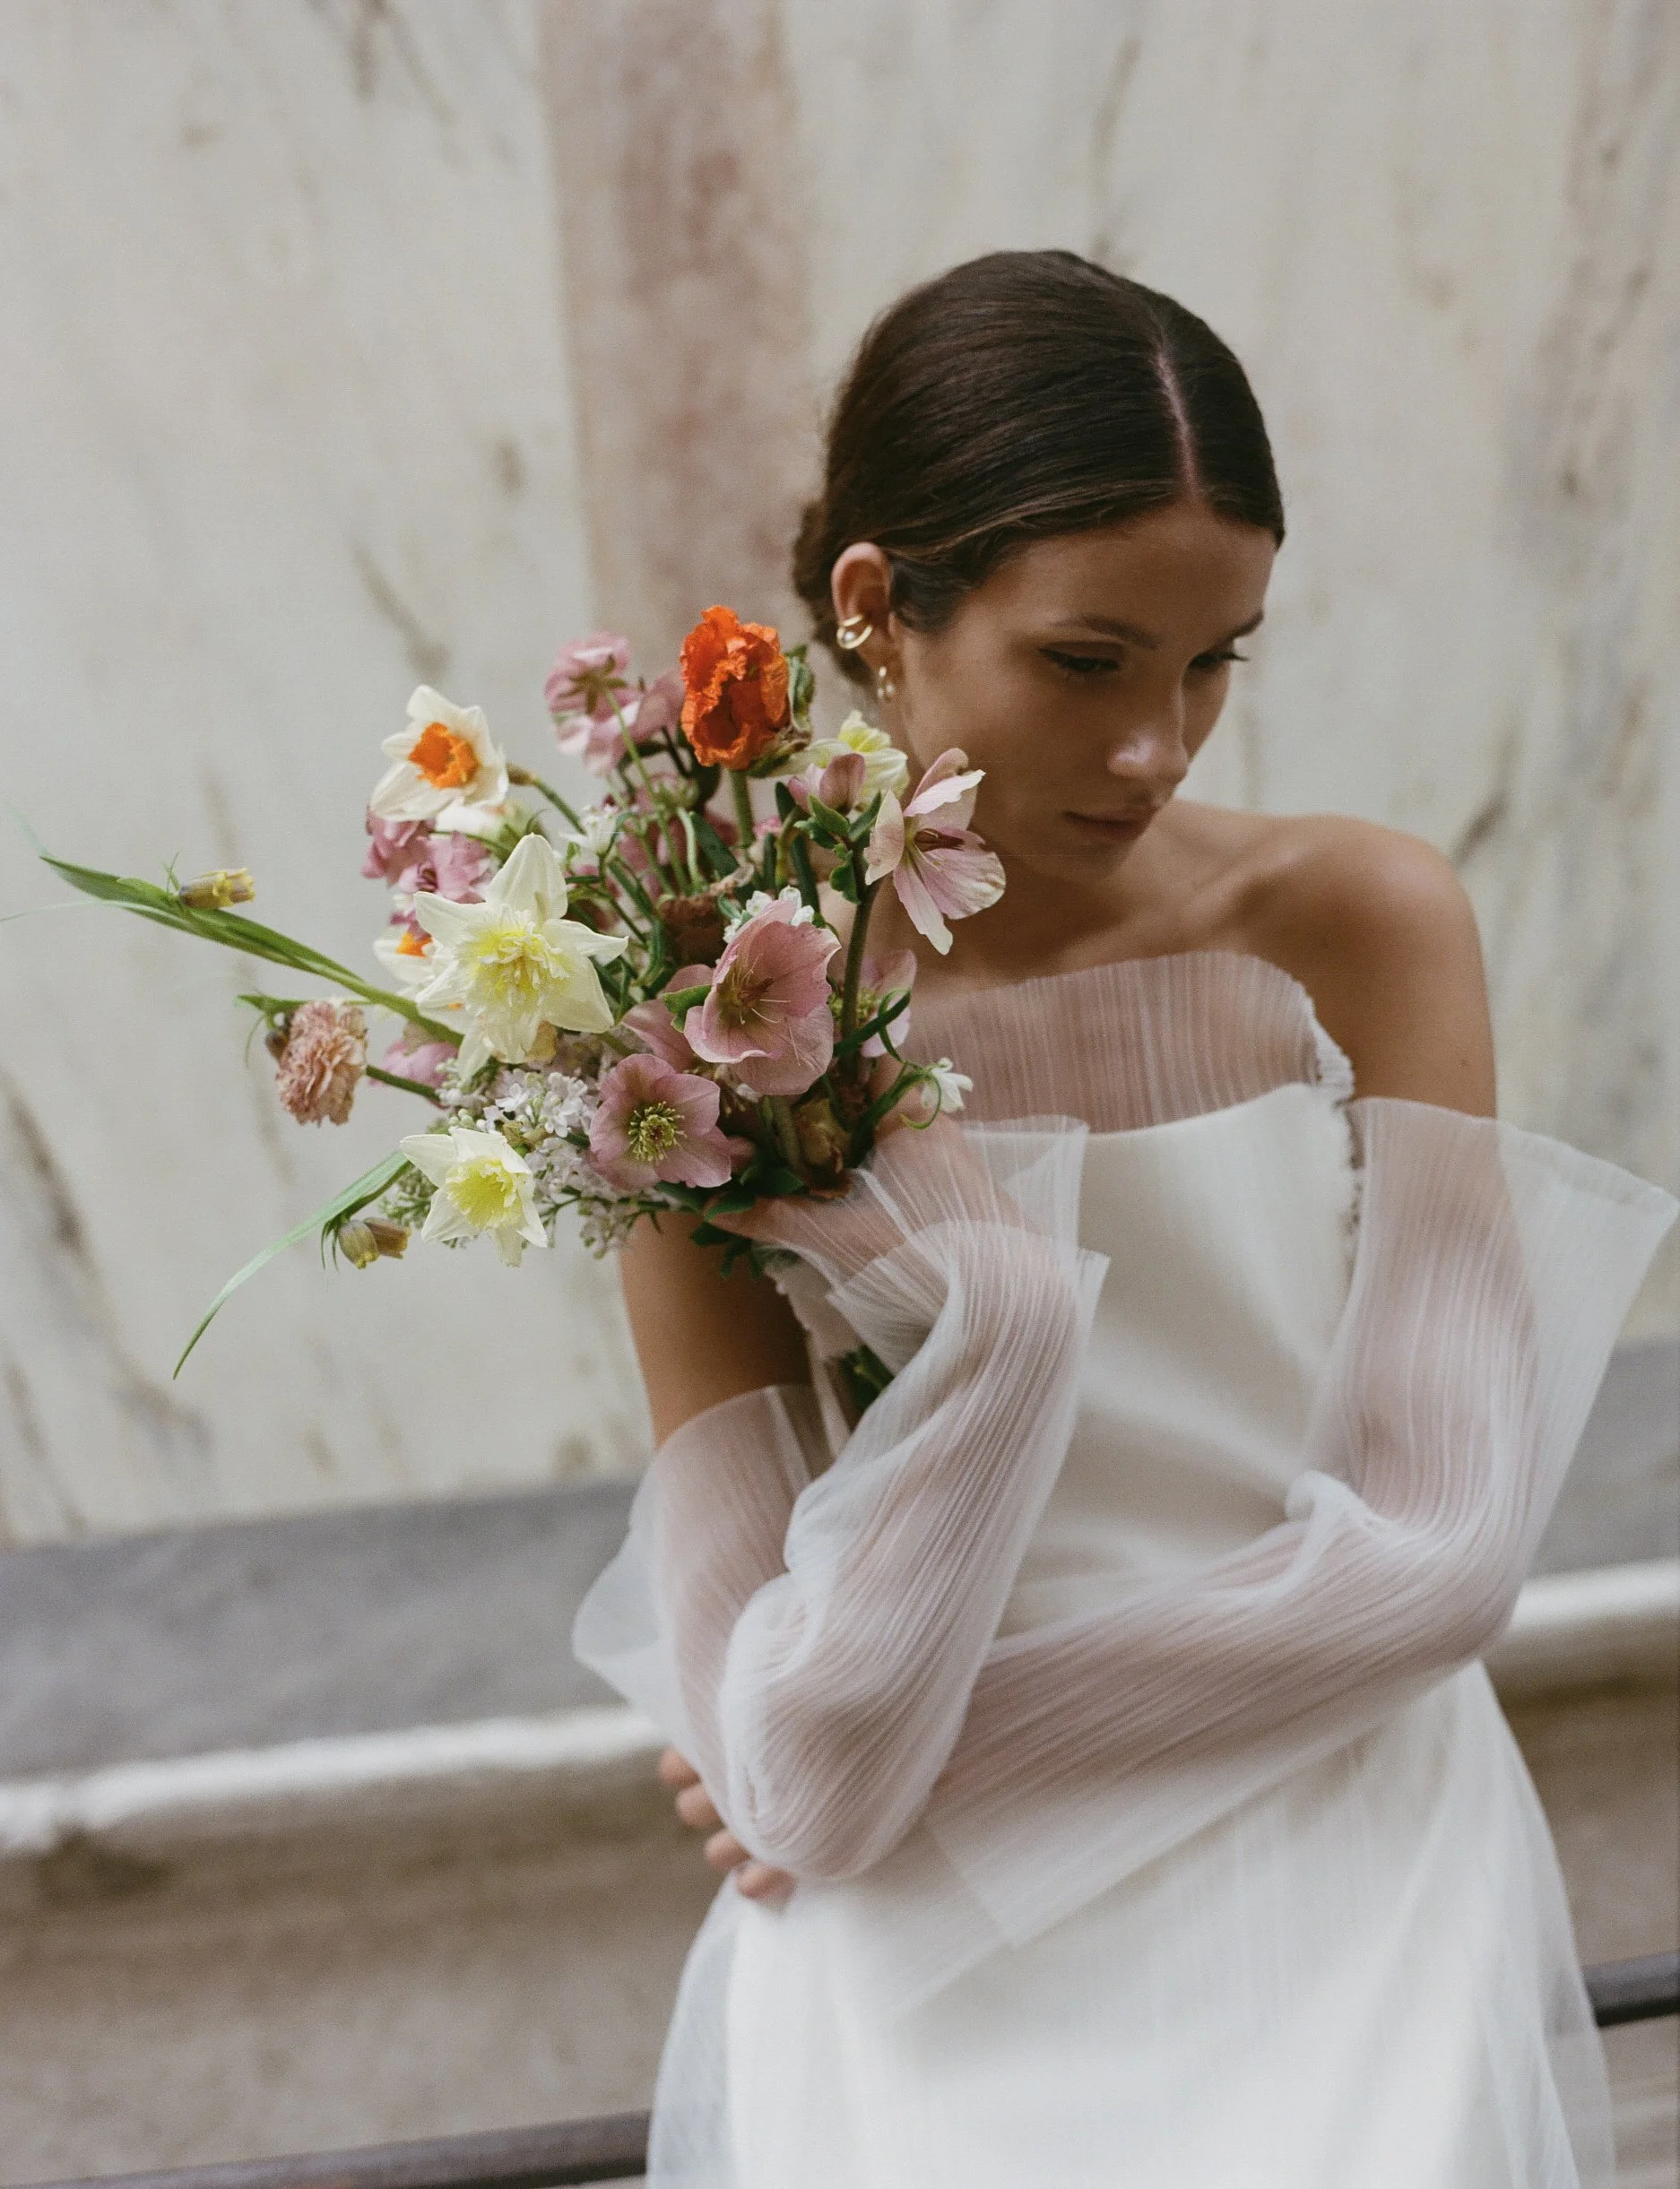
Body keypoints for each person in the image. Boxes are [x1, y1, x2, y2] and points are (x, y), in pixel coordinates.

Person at [574, 251, 1675, 2189]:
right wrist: (1000, 1317)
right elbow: (755, 1681)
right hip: (923, 1970)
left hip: (1336, 1863)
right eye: (1087, 663)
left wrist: (886, 1769)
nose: (1161, 744)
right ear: (871, 610)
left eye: (1216, 659)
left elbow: (1437, 1557)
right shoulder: (696, 1028)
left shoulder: (1357, 919)